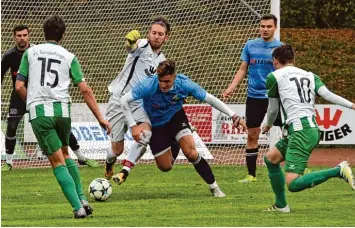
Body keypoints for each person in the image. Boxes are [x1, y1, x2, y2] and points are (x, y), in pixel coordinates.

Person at [15, 15, 111, 218]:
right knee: (66, 155)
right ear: (63, 34)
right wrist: (100, 118)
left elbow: (19, 86)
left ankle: (78, 208)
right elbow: (85, 90)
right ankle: (83, 199)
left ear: (43, 32)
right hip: (63, 111)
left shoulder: (30, 53)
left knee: (56, 162)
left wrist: (32, 102)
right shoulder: (69, 56)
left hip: (41, 112)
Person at [119, 59, 247, 197]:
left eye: (167, 81)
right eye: (161, 80)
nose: (163, 85)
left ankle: (215, 188)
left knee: (191, 153)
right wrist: (133, 126)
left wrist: (233, 116)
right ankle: (175, 141)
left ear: (175, 77)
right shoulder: (148, 85)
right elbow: (123, 100)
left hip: (176, 118)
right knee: (165, 167)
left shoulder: (185, 84)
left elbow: (210, 99)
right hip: (156, 124)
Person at [261, 44, 355, 213]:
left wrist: (267, 125)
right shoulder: (310, 75)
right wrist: (351, 105)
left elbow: (273, 109)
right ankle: (281, 205)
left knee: (294, 184)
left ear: (275, 61)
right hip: (307, 128)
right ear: (293, 60)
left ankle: (338, 170)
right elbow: (328, 95)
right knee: (271, 159)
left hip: (300, 131)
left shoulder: (274, 76)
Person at [1, 25, 99, 170]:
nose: (22, 38)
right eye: (19, 35)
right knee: (11, 126)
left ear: (29, 36)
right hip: (19, 97)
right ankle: (8, 162)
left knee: (61, 126)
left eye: (24, 35)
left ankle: (81, 157)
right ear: (14, 37)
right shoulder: (8, 56)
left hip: (40, 96)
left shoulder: (36, 52)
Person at [105, 16, 170, 183]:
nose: (156, 36)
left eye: (160, 34)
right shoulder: (142, 45)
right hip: (119, 99)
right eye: (154, 33)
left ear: (166, 37)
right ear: (149, 34)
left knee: (146, 134)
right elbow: (130, 47)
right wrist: (129, 41)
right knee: (117, 150)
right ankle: (108, 163)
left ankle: (124, 171)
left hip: (138, 103)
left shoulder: (162, 62)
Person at [222, 14, 283, 183]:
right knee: (252, 135)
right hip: (254, 97)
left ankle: (299, 166)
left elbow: (285, 73)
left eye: (269, 26)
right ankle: (251, 175)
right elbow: (242, 69)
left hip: (275, 97)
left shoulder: (281, 48)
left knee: (288, 132)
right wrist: (231, 87)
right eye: (262, 26)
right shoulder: (250, 45)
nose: (265, 29)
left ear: (275, 28)